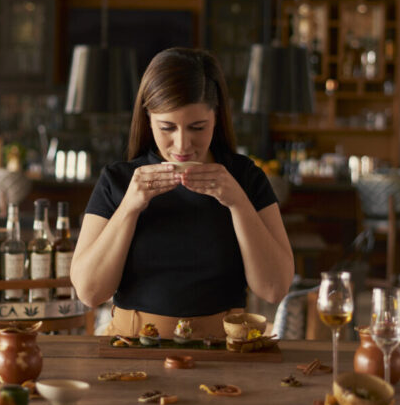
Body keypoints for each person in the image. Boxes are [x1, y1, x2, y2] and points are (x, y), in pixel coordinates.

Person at [70, 47, 294, 338]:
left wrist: (238, 202)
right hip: (131, 347)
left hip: (224, 351)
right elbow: (89, 293)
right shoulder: (118, 180)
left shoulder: (246, 178)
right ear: (148, 120)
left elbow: (274, 290)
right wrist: (129, 207)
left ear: (216, 117)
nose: (182, 145)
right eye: (167, 128)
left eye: (197, 127)